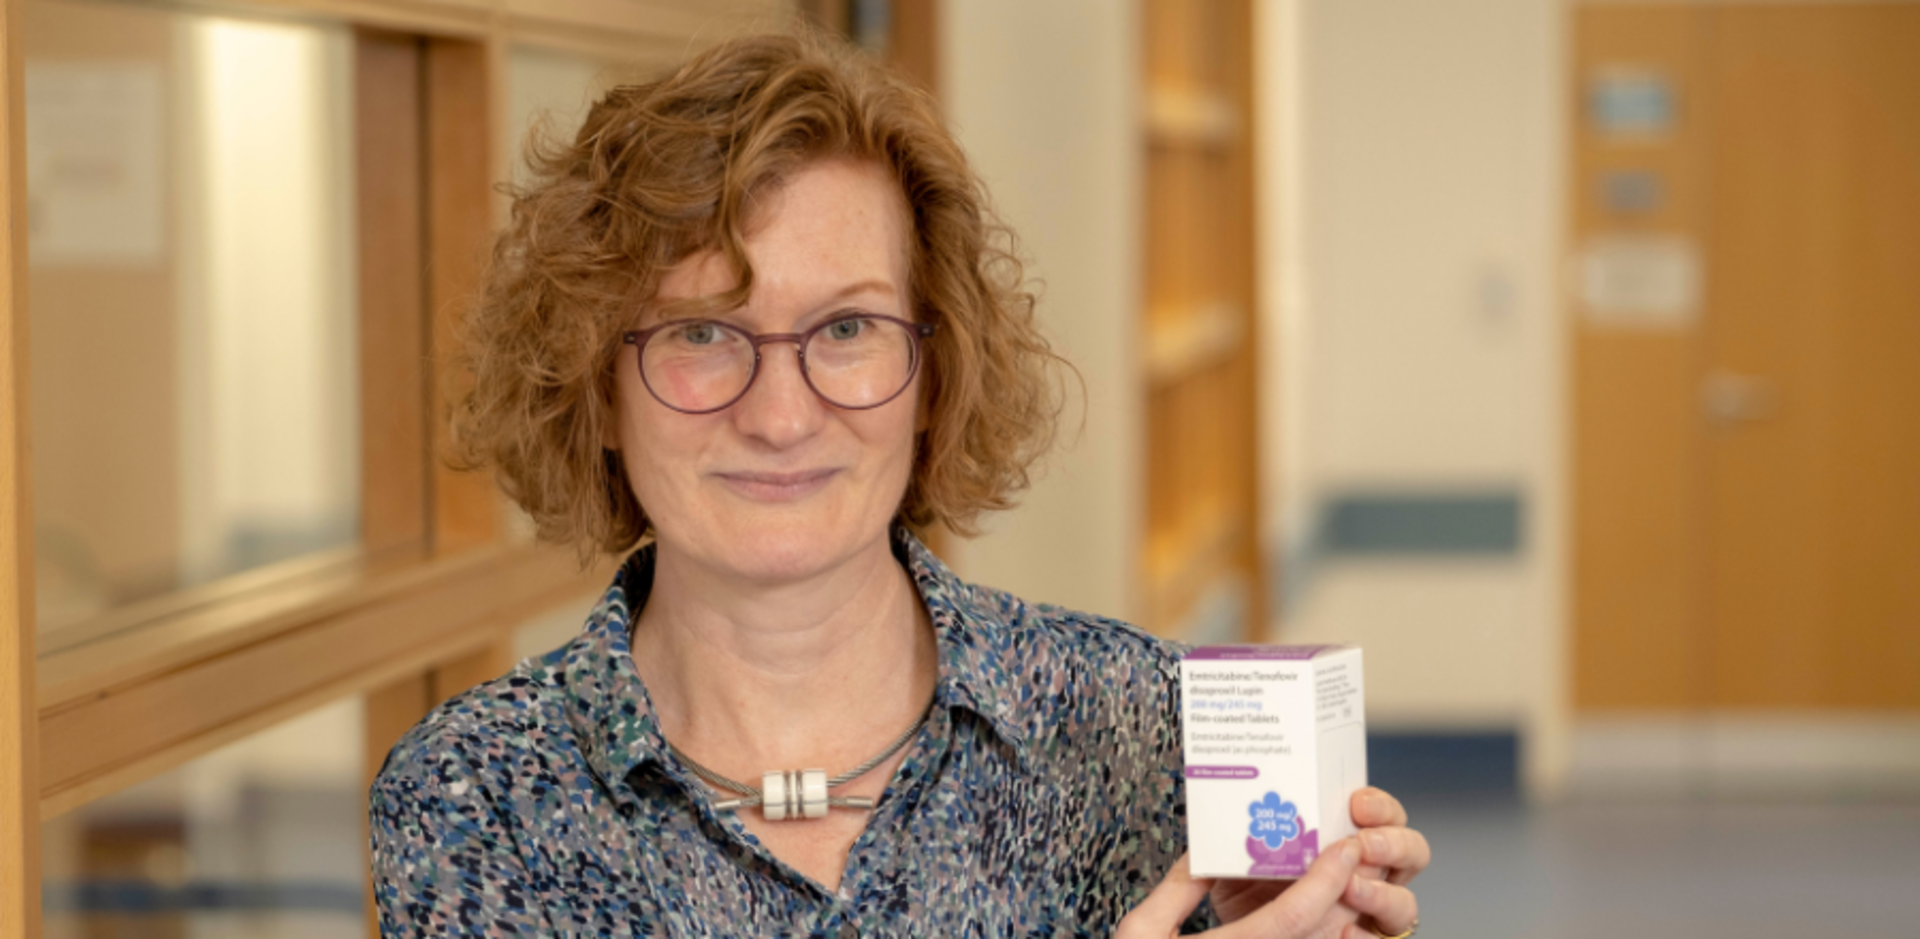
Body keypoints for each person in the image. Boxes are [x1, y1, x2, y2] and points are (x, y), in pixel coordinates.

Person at [370, 30, 1428, 938]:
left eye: (846, 329)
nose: (780, 415)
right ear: (595, 385)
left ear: (935, 375)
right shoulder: (478, 796)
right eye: (702, 332)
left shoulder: (1149, 729)